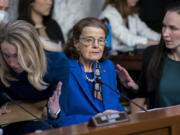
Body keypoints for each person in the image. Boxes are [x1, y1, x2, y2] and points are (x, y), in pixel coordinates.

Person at [48, 17, 125, 127]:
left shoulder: (107, 67)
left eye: (101, 40)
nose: (96, 45)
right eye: (89, 40)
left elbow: (116, 105)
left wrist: (120, 115)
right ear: (76, 43)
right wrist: (94, 120)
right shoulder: (64, 69)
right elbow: (58, 120)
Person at [0, 20, 70, 135]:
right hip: (8, 120)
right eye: (7, 55)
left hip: (40, 121)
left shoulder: (57, 62)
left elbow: (59, 118)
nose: (12, 63)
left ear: (33, 50)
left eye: (17, 56)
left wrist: (54, 112)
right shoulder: (2, 63)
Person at [116, 2, 180, 110]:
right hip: (162, 124)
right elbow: (143, 92)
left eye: (173, 28)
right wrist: (133, 87)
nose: (165, 33)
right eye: (164, 26)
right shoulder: (152, 54)